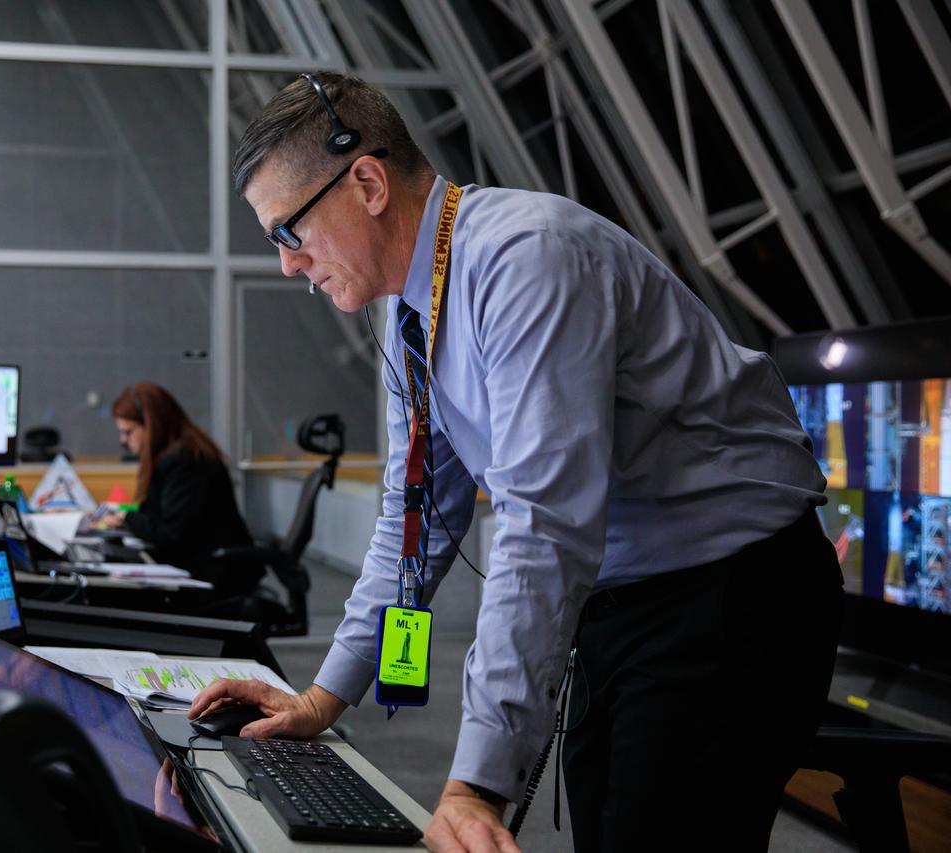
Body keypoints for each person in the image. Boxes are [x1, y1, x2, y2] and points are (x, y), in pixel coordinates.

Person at [188, 72, 842, 852]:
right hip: (622, 603)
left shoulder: (525, 260)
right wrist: (324, 696)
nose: (289, 265)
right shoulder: (404, 315)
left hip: (732, 593)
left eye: (287, 232)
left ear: (365, 181)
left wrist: (474, 786)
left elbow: (545, 524)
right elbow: (416, 516)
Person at [109, 383, 263, 598]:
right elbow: (163, 515)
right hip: (208, 564)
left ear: (152, 425)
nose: (123, 440)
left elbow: (171, 534)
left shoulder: (184, 460)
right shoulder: (181, 453)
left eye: (129, 432)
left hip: (216, 572)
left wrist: (128, 518)